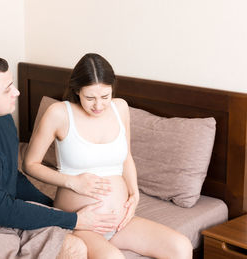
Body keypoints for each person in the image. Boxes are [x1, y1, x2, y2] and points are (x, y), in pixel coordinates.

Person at [0, 54, 119, 259]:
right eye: (7, 89)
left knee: (72, 242)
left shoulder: (3, 118)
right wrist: (74, 219)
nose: (17, 92)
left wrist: (52, 206)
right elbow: (3, 210)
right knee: (73, 248)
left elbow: (11, 176)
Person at [23, 53, 193, 259]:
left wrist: (134, 193)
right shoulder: (59, 113)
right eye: (90, 98)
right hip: (80, 223)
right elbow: (30, 164)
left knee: (181, 247)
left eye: (105, 96)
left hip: (120, 221)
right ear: (77, 90)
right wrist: (73, 182)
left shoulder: (120, 107)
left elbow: (126, 157)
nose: (99, 105)